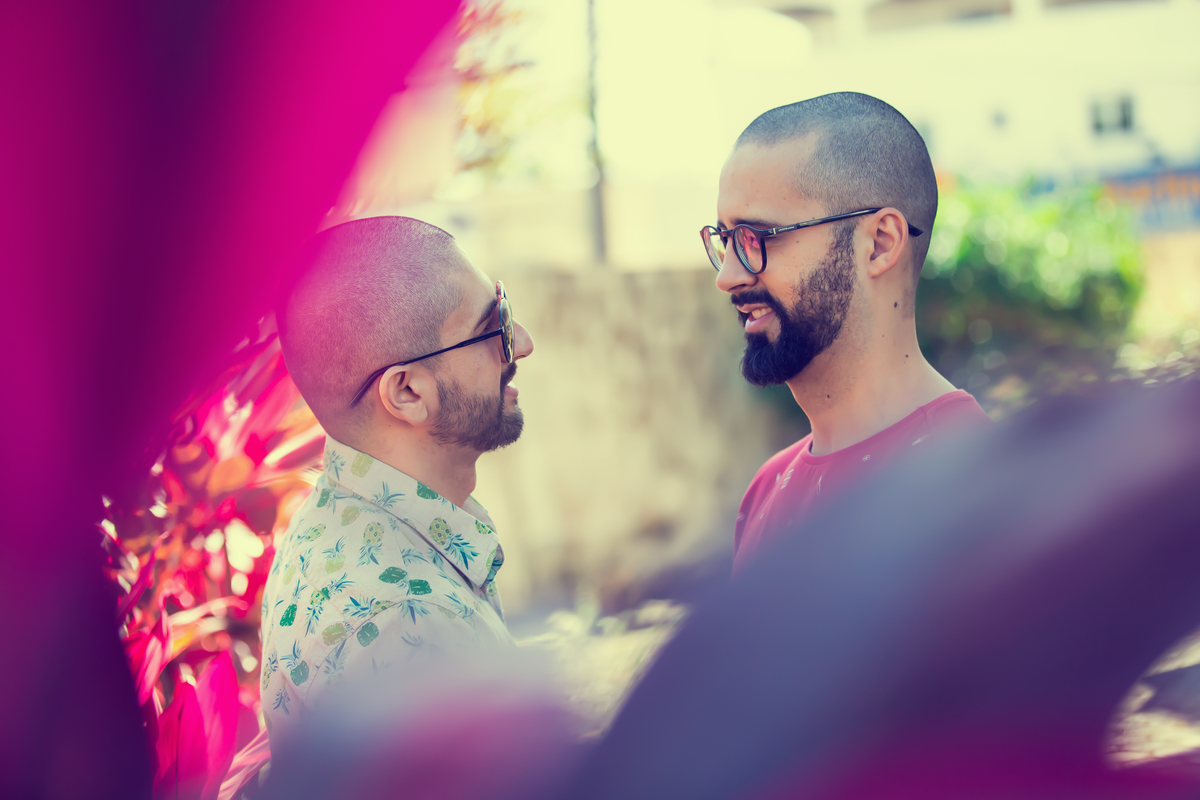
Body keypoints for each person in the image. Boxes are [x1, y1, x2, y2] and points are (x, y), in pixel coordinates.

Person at [260, 215, 534, 735]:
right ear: (407, 392)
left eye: (505, 306)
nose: (521, 342)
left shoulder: (332, 516)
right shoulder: (412, 630)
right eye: (494, 326)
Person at [700, 92, 992, 572]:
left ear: (879, 243)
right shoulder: (765, 490)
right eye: (725, 240)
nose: (728, 276)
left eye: (756, 238)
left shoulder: (971, 481)